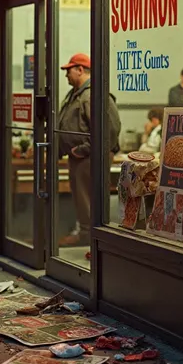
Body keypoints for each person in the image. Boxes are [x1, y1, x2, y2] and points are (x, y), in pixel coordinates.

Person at [58, 53, 121, 248]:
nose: (66, 75)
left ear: (80, 70)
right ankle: (86, 237)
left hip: (89, 156)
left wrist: (83, 149)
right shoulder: (79, 93)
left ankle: (88, 241)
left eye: (69, 70)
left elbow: (109, 130)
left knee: (87, 199)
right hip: (81, 156)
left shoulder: (93, 94)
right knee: (81, 197)